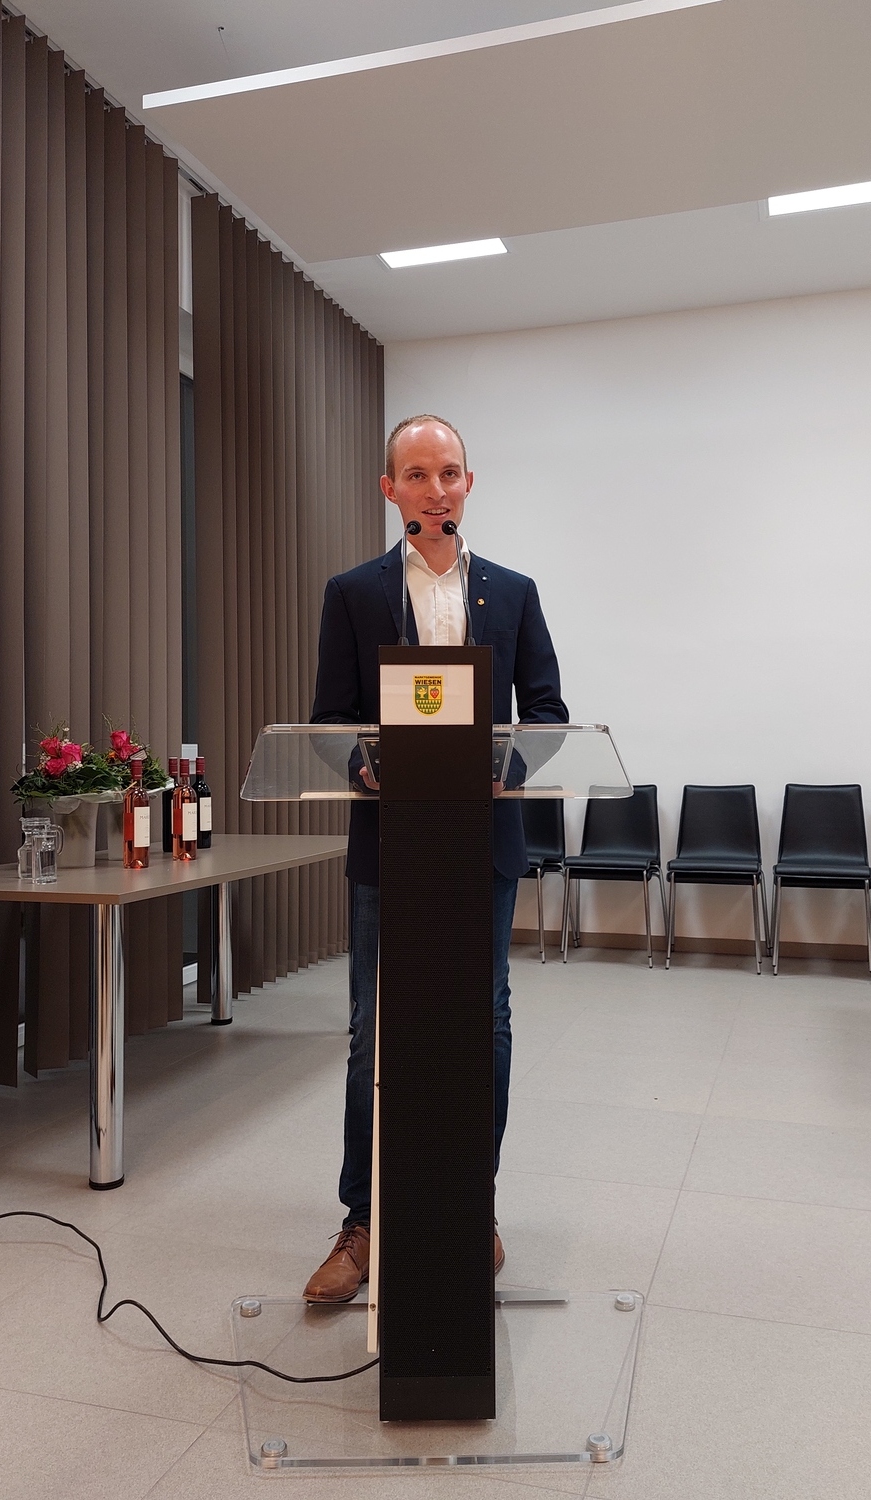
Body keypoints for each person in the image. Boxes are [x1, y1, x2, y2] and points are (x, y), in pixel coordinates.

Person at [303, 414, 568, 1303]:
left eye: (448, 472)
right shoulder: (353, 592)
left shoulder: (514, 593)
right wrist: (362, 765)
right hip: (391, 843)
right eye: (416, 474)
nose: (435, 488)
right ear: (390, 490)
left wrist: (507, 771)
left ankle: (468, 1208)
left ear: (468, 483)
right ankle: (364, 1222)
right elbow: (330, 719)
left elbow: (547, 712)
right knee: (373, 1029)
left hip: (480, 842)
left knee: (481, 1022)